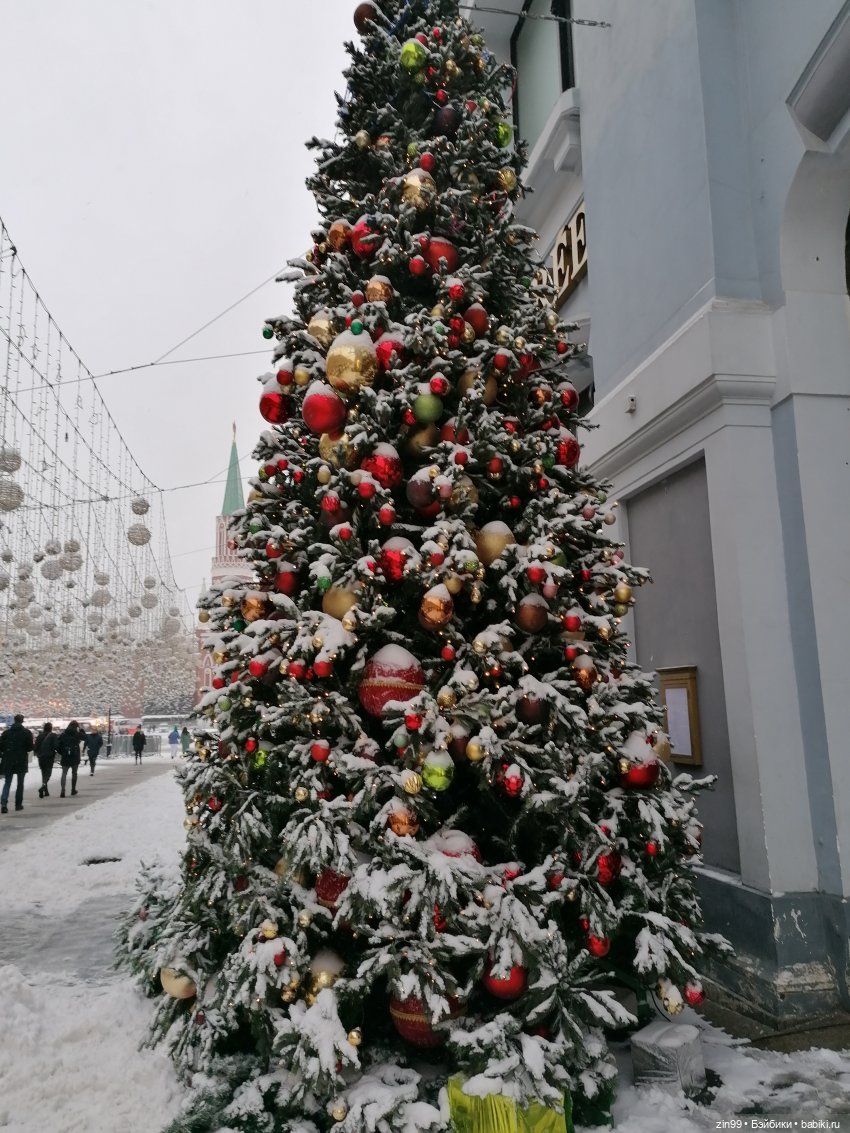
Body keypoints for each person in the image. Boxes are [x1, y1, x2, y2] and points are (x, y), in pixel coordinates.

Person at [0, 714, 34, 814]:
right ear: (22, 721)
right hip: (21, 760)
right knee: (20, 783)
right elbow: (30, 748)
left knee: (7, 782)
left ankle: (4, 804)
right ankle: (18, 804)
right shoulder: (26, 733)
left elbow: (1, 746)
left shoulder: (6, 733)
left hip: (8, 760)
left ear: (14, 721)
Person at [57, 720, 83, 798]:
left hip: (65, 756)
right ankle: (73, 789)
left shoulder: (64, 734)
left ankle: (63, 790)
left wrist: (62, 752)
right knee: (74, 773)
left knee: (64, 773)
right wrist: (80, 731)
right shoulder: (77, 734)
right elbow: (85, 737)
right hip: (74, 756)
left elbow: (58, 745)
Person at [34, 722, 58, 798]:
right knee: (48, 773)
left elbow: (36, 746)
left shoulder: (39, 736)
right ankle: (43, 786)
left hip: (41, 757)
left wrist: (38, 754)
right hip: (49, 756)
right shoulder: (53, 736)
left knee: (43, 772)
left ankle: (46, 791)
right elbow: (56, 745)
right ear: (51, 728)